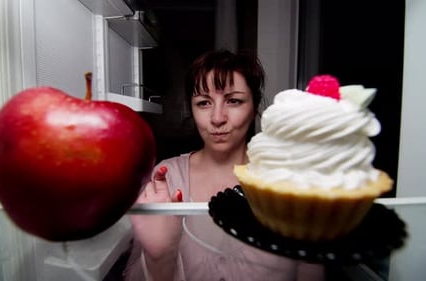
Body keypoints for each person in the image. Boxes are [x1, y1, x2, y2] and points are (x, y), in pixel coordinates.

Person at [123, 49, 324, 281]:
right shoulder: (166, 178)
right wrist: (159, 256)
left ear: (254, 107)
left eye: (234, 101)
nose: (218, 118)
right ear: (192, 109)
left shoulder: (290, 180)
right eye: (204, 103)